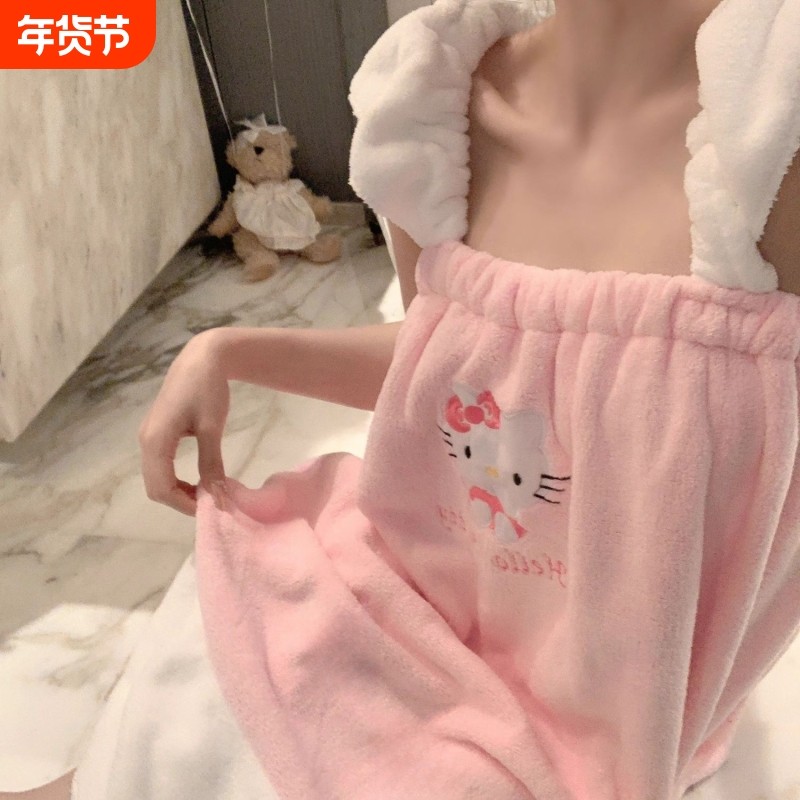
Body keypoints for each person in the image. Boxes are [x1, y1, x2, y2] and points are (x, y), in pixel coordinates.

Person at [6, 0, 800, 797]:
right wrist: (230, 349)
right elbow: (449, 364)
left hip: (593, 724)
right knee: (164, 725)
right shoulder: (434, 100)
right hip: (404, 600)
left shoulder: (773, 138)